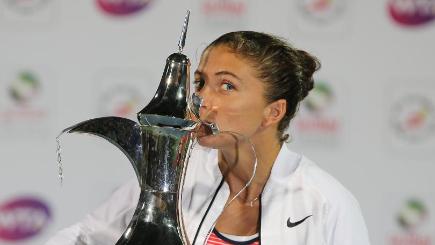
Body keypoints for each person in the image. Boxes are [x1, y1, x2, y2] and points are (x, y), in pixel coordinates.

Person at [45, 31, 370, 245]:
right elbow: (82, 237)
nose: (201, 101)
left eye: (226, 86)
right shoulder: (175, 173)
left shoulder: (326, 203)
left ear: (273, 113)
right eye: (200, 83)